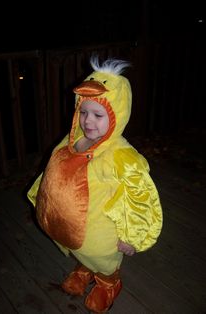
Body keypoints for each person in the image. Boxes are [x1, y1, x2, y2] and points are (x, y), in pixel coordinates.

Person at [27, 55, 163, 313]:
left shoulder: (122, 158)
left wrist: (132, 237)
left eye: (98, 115)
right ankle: (86, 267)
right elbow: (53, 172)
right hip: (73, 233)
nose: (88, 122)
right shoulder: (72, 141)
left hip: (103, 236)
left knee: (105, 261)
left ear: (117, 113)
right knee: (85, 254)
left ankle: (108, 282)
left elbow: (140, 198)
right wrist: (41, 198)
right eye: (83, 112)